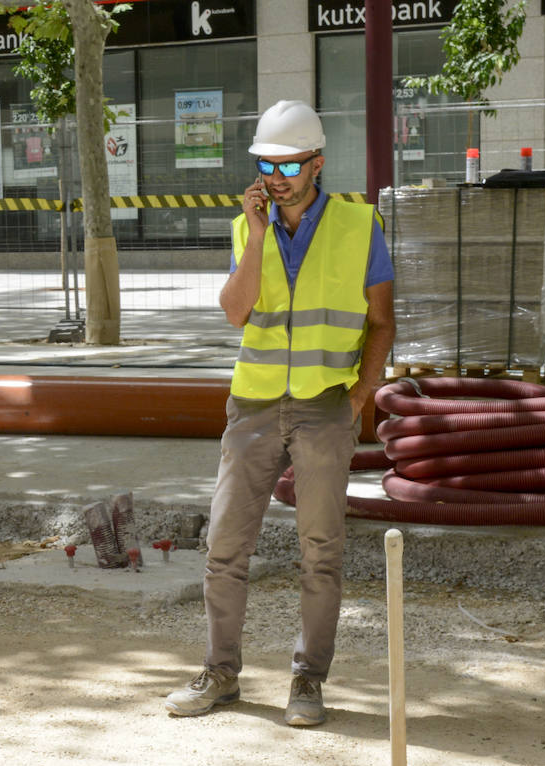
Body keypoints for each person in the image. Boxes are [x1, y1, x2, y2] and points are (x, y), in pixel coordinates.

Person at [163, 100, 395, 727]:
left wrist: (359, 398)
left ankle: (308, 683)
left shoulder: (358, 225)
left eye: (289, 165)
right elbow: (236, 312)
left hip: (324, 407)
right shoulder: (247, 228)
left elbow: (381, 321)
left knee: (320, 553)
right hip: (254, 407)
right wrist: (260, 234)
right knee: (225, 547)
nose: (275, 175)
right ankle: (220, 675)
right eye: (266, 163)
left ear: (317, 164)